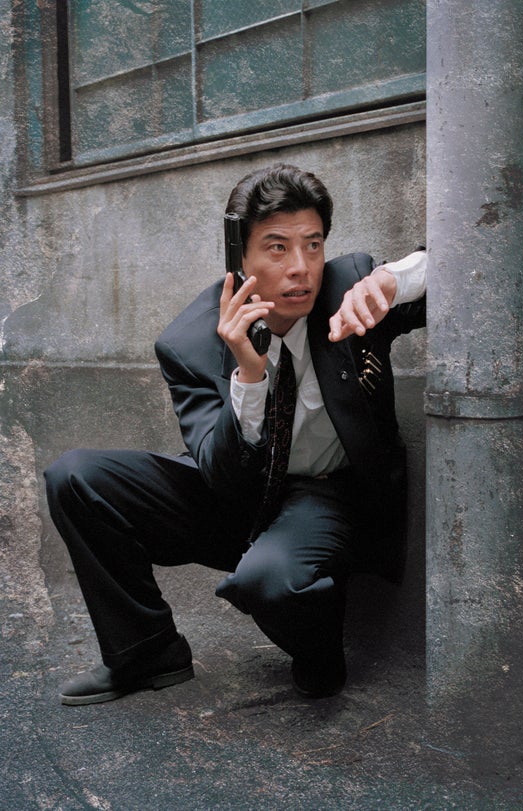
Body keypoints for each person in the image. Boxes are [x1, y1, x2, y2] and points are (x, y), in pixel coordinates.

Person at [45, 163, 426, 705]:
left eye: (313, 245)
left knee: (268, 580)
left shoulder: (349, 288)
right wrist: (249, 375)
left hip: (325, 496)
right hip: (238, 493)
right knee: (76, 476)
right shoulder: (189, 342)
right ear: (238, 259)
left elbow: (458, 263)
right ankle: (146, 652)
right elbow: (219, 474)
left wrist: (394, 280)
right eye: (277, 248)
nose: (301, 268)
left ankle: (319, 656)